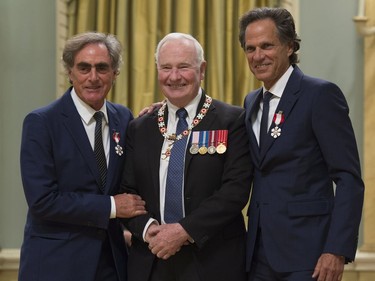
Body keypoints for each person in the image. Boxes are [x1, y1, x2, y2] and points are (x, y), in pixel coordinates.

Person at [238, 7, 364, 281]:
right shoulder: (250, 103)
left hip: (310, 256)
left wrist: (336, 249)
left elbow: (348, 178)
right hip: (257, 255)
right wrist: (168, 111)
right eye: (250, 48)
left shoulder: (320, 95)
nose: (258, 56)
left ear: (290, 45)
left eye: (267, 46)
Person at [120, 32, 253, 281]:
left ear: (201, 70)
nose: (174, 76)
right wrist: (149, 230)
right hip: (152, 260)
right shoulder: (140, 128)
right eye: (166, 67)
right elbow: (128, 190)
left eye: (183, 67)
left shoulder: (231, 120)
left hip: (214, 261)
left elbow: (235, 191)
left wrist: (183, 231)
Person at [19, 32, 147, 281]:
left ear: (115, 73)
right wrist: (111, 206)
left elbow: (129, 181)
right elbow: (43, 200)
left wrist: (150, 125)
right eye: (84, 68)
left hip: (113, 264)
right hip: (56, 265)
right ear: (70, 72)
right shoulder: (42, 122)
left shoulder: (124, 118)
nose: (93, 77)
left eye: (102, 68)